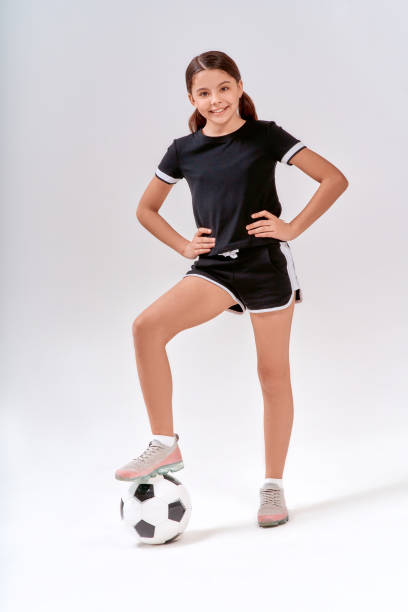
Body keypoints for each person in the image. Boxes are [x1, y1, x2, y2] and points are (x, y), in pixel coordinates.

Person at [114, 50, 349, 528]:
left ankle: (272, 487)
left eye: (224, 88)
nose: (216, 99)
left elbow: (333, 178)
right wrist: (183, 243)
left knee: (271, 375)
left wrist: (293, 226)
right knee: (146, 327)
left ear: (239, 87)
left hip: (264, 266)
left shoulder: (266, 136)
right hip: (215, 269)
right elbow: (146, 209)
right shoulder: (183, 150)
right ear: (192, 100)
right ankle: (164, 442)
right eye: (205, 93)